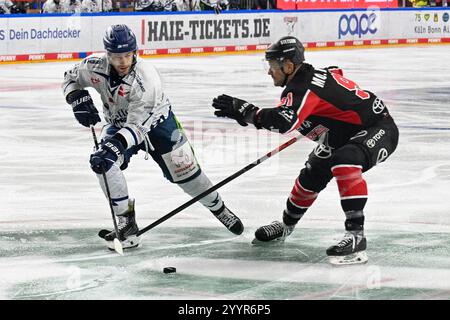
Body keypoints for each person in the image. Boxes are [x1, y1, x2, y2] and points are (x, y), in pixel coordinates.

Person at [212, 36, 399, 265]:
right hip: (341, 134)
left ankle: (356, 236)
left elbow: (284, 122)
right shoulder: (306, 78)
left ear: (289, 65)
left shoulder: (302, 87)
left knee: (344, 160)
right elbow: (335, 73)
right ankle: (286, 226)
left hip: (378, 128)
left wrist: (249, 112)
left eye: (272, 66)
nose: (269, 72)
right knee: (312, 172)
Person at [62, 24, 243, 250]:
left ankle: (219, 209)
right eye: (117, 56)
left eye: (128, 55)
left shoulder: (146, 78)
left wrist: (116, 144)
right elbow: (69, 77)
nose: (123, 62)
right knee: (103, 163)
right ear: (108, 54)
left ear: (135, 51)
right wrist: (76, 98)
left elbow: (138, 126)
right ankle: (126, 225)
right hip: (118, 125)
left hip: (159, 125)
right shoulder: (93, 66)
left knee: (189, 177)